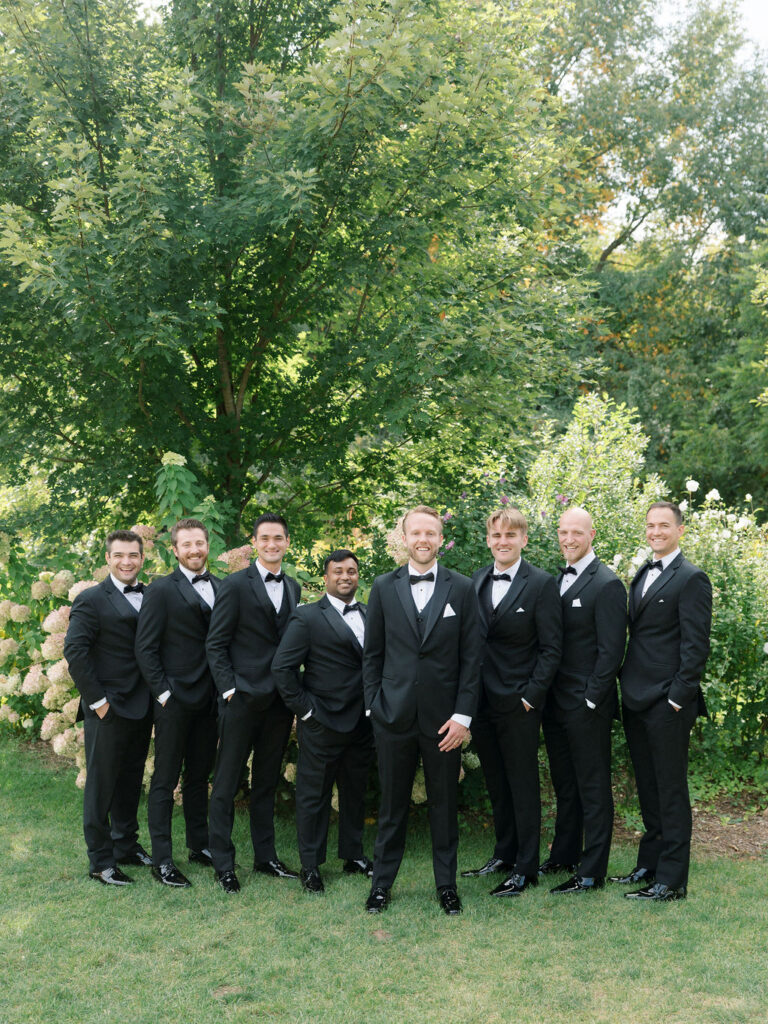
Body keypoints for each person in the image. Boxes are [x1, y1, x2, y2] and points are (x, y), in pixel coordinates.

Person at [362, 505, 481, 915]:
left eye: (431, 533)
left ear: (440, 538)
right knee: (392, 807)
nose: (424, 540)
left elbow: (472, 657)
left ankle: (446, 887)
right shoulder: (382, 586)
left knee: (444, 807)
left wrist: (463, 716)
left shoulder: (463, 588)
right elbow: (372, 654)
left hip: (444, 721)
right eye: (416, 533)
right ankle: (381, 886)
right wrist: (373, 707)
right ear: (405, 538)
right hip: (392, 717)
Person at [611, 501, 711, 901]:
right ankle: (648, 865)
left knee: (670, 791)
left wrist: (676, 698)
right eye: (650, 525)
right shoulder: (643, 573)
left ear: (680, 530)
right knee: (648, 788)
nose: (655, 532)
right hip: (636, 698)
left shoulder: (691, 578)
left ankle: (671, 881)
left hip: (668, 702)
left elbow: (696, 646)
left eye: (664, 526)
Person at [461, 507, 561, 897]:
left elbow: (552, 649)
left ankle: (526, 867)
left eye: (510, 535)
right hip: (481, 702)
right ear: (488, 540)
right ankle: (503, 854)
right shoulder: (477, 579)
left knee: (522, 785)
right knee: (497, 782)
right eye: (496, 535)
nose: (503, 541)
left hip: (519, 703)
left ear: (523, 539)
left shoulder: (541, 584)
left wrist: (530, 697)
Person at [205, 513, 301, 893]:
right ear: (255, 543)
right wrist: (229, 689)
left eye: (278, 537)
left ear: (287, 542)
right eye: (265, 538)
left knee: (265, 782)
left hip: (279, 702)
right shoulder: (234, 585)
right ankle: (223, 863)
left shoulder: (293, 586)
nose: (272, 544)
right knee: (226, 783)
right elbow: (216, 643)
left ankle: (266, 858)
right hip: (241, 699)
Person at [272, 549, 374, 894]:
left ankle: (353, 853)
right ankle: (311, 866)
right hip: (323, 722)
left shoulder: (369, 612)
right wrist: (307, 711)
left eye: (351, 571)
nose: (346, 577)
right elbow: (282, 669)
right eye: (338, 572)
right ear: (326, 578)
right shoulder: (308, 617)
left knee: (355, 791)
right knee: (313, 797)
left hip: (363, 722)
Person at [541, 507, 627, 894]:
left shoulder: (606, 583)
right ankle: (564, 855)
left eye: (576, 532)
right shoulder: (557, 578)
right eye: (563, 532)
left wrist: (592, 700)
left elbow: (612, 651)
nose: (569, 539)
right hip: (555, 703)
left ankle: (592, 871)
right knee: (565, 784)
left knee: (593, 786)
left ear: (592, 534)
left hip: (586, 704)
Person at [64, 530, 153, 885]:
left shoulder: (150, 595)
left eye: (133, 555)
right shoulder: (90, 600)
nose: (127, 561)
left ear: (142, 558)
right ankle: (101, 861)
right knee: (101, 785)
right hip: (108, 707)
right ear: (108, 559)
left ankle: (125, 845)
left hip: (142, 704)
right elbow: (75, 653)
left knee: (131, 780)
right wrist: (98, 702)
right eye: (119, 555)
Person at [135, 518, 220, 888]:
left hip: (211, 700)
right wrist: (164, 693)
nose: (194, 550)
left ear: (207, 545)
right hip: (174, 701)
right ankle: (163, 860)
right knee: (165, 780)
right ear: (175, 549)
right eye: (187, 545)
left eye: (199, 543)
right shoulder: (160, 590)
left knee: (199, 777)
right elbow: (145, 647)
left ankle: (199, 846)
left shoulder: (221, 586)